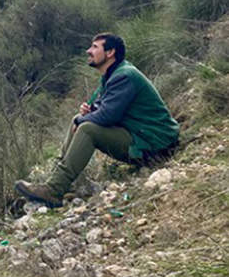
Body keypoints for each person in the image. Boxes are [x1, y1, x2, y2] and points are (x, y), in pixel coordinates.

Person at [15, 32, 179, 208]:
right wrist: (87, 112)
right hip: (141, 137)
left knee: (86, 128)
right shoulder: (112, 75)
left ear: (110, 53)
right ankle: (56, 182)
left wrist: (84, 119)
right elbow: (101, 107)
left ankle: (53, 190)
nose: (88, 51)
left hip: (156, 145)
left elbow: (108, 116)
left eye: (94, 47)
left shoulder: (124, 76)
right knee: (78, 119)